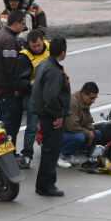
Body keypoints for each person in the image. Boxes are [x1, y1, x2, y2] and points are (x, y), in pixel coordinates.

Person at [32, 37, 71, 197]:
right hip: (51, 116)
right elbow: (50, 96)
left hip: (44, 114)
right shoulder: (54, 71)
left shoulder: (44, 65)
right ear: (63, 52)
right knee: (51, 151)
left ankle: (42, 184)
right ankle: (47, 185)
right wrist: (58, 115)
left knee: (48, 151)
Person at [0, 11, 32, 146]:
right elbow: (11, 69)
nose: (24, 27)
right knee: (10, 125)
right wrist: (18, 87)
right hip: (8, 90)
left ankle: (2, 154)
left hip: (0, 88)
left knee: (2, 123)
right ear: (16, 23)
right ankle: (7, 155)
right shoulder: (9, 40)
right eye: (23, 24)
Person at [16, 30, 51, 169]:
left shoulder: (49, 48)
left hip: (49, 93)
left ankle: (50, 151)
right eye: (34, 46)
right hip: (34, 95)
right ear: (29, 45)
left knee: (51, 124)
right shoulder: (24, 57)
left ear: (43, 41)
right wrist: (32, 84)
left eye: (38, 45)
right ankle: (27, 155)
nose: (37, 48)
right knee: (32, 126)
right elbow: (20, 81)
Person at [60, 82, 102, 167]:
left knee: (97, 133)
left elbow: (88, 121)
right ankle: (62, 155)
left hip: (72, 131)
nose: (93, 101)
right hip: (60, 133)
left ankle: (79, 150)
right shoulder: (72, 103)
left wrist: (91, 130)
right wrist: (88, 133)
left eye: (95, 98)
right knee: (79, 137)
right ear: (83, 94)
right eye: (92, 98)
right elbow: (71, 126)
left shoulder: (85, 102)